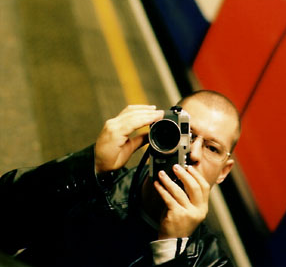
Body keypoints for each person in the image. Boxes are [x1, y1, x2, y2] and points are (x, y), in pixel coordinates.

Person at [0, 90, 241, 267]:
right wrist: (89, 166)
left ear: (224, 171)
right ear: (161, 134)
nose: (194, 153)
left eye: (212, 148)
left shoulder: (213, 262)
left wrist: (171, 252)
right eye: (186, 134)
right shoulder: (92, 185)